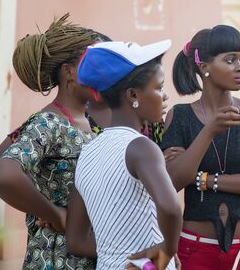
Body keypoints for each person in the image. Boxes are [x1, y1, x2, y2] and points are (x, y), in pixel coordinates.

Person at [0, 13, 106, 269]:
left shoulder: (90, 121)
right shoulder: (49, 122)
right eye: (95, 65)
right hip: (56, 258)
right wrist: (52, 213)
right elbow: (3, 171)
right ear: (69, 73)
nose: (104, 74)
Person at [160, 25, 240, 270]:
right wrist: (209, 131)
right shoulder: (179, 116)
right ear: (205, 68)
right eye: (230, 59)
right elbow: (173, 181)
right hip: (195, 248)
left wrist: (205, 179)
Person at [65, 41, 182, 270]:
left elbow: (75, 241)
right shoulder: (141, 148)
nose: (164, 95)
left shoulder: (88, 152)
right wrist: (167, 249)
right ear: (132, 95)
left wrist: (120, 253)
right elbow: (170, 208)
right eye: (158, 88)